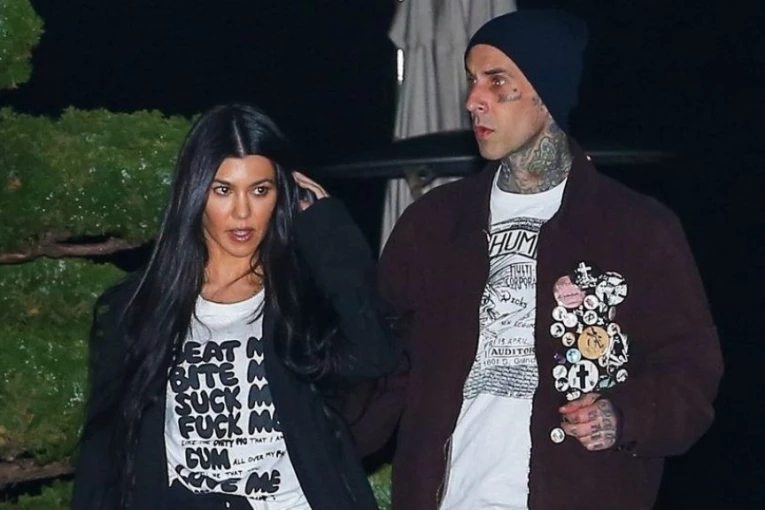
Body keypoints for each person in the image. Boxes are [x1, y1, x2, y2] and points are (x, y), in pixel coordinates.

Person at [348, 9, 723, 510]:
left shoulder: (636, 228)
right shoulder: (433, 223)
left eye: (496, 82)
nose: (473, 100)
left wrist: (625, 414)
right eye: (472, 81)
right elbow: (379, 365)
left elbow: (690, 372)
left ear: (546, 93)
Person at [71, 103, 397, 510]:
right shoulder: (138, 309)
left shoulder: (301, 297)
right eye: (223, 190)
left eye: (260, 190)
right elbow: (102, 461)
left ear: (281, 194)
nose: (242, 212)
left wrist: (328, 230)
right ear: (195, 193)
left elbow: (376, 356)